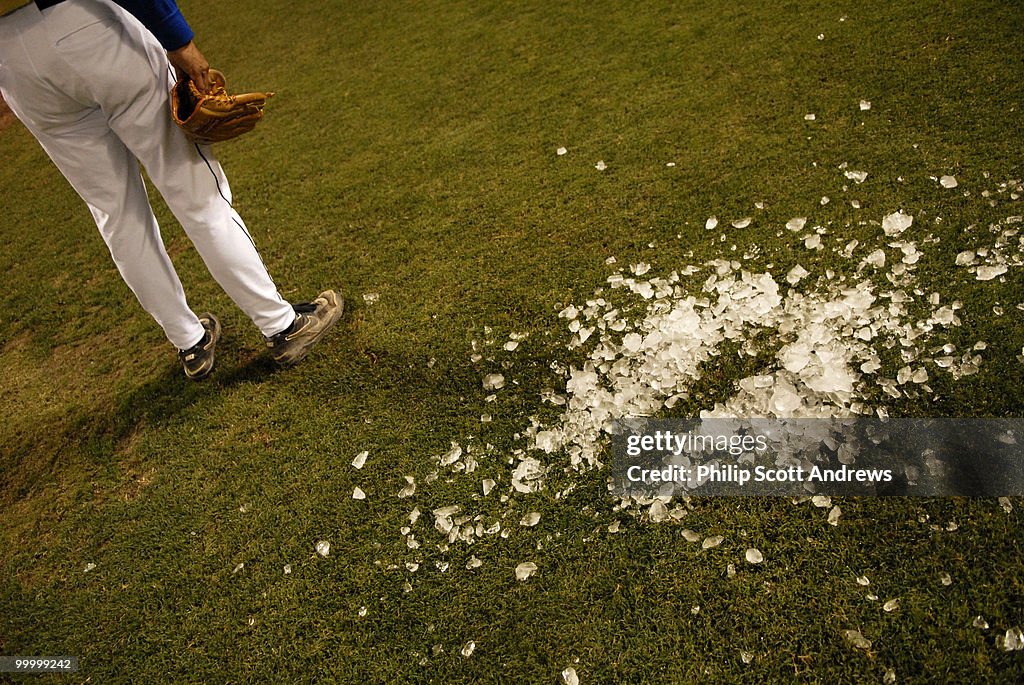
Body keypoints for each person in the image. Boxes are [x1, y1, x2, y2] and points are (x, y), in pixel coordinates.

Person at [0, 0, 342, 379]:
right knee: (197, 195)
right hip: (88, 26)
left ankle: (190, 343)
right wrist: (182, 45)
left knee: (116, 213)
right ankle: (282, 326)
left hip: (13, 63)